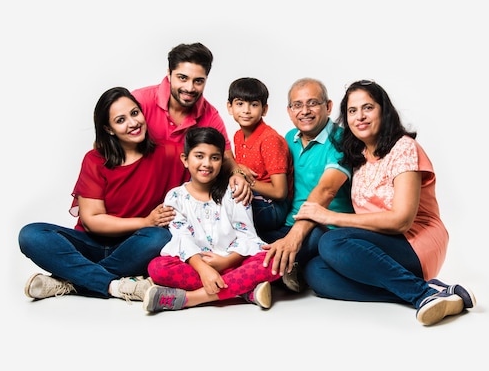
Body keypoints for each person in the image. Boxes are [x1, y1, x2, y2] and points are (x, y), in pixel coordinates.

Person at [293, 79, 476, 326]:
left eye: (368, 107)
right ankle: (435, 293)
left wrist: (330, 217)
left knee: (332, 241)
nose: (360, 117)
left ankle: (422, 294)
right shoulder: (357, 156)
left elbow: (401, 221)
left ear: (383, 110)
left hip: (415, 242)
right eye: (352, 111)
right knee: (316, 273)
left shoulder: (404, 148)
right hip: (378, 246)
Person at [19, 87, 188, 302]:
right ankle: (114, 285)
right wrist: (145, 221)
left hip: (136, 248)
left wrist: (236, 172)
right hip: (89, 245)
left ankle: (70, 283)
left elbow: (207, 169)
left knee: (160, 237)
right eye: (121, 120)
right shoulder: (94, 160)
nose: (133, 123)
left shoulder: (171, 152)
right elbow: (92, 221)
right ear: (108, 129)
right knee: (31, 234)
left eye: (135, 113)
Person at [142, 127, 282, 313]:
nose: (206, 163)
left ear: (222, 161)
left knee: (273, 261)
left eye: (214, 158)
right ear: (185, 159)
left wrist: (227, 262)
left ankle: (190, 299)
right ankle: (244, 290)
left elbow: (246, 234)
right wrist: (203, 268)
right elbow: (181, 238)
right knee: (157, 268)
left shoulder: (234, 191)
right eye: (199, 156)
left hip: (234, 261)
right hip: (196, 265)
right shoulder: (175, 197)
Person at [260, 78, 354, 292]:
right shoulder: (290, 137)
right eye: (297, 105)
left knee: (279, 253)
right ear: (289, 111)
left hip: (324, 227)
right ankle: (286, 271)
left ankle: (271, 274)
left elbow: (327, 190)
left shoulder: (343, 140)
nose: (305, 111)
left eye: (312, 103)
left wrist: (294, 237)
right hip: (288, 223)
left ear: (328, 106)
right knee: (251, 243)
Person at [131, 42, 252, 204]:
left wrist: (238, 173)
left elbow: (226, 157)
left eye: (198, 81)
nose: (189, 88)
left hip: (179, 204)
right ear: (169, 74)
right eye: (182, 78)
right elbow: (107, 143)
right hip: (137, 196)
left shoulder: (210, 115)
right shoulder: (140, 101)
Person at [226, 77, 293, 232]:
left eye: (254, 104)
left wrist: (245, 181)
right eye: (240, 103)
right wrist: (238, 169)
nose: (246, 110)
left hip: (271, 206)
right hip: (252, 197)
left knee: (224, 206)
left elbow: (280, 192)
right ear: (230, 107)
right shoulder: (238, 135)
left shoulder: (270, 140)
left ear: (264, 109)